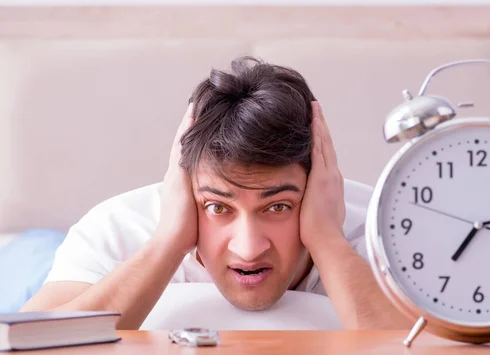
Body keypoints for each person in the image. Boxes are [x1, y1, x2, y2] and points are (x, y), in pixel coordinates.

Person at [21, 56, 410, 330]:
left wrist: (328, 241)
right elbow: (26, 342)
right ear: (185, 190)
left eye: (278, 205)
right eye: (217, 207)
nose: (248, 249)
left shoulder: (388, 233)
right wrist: (168, 243)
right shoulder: (118, 227)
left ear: (317, 189)